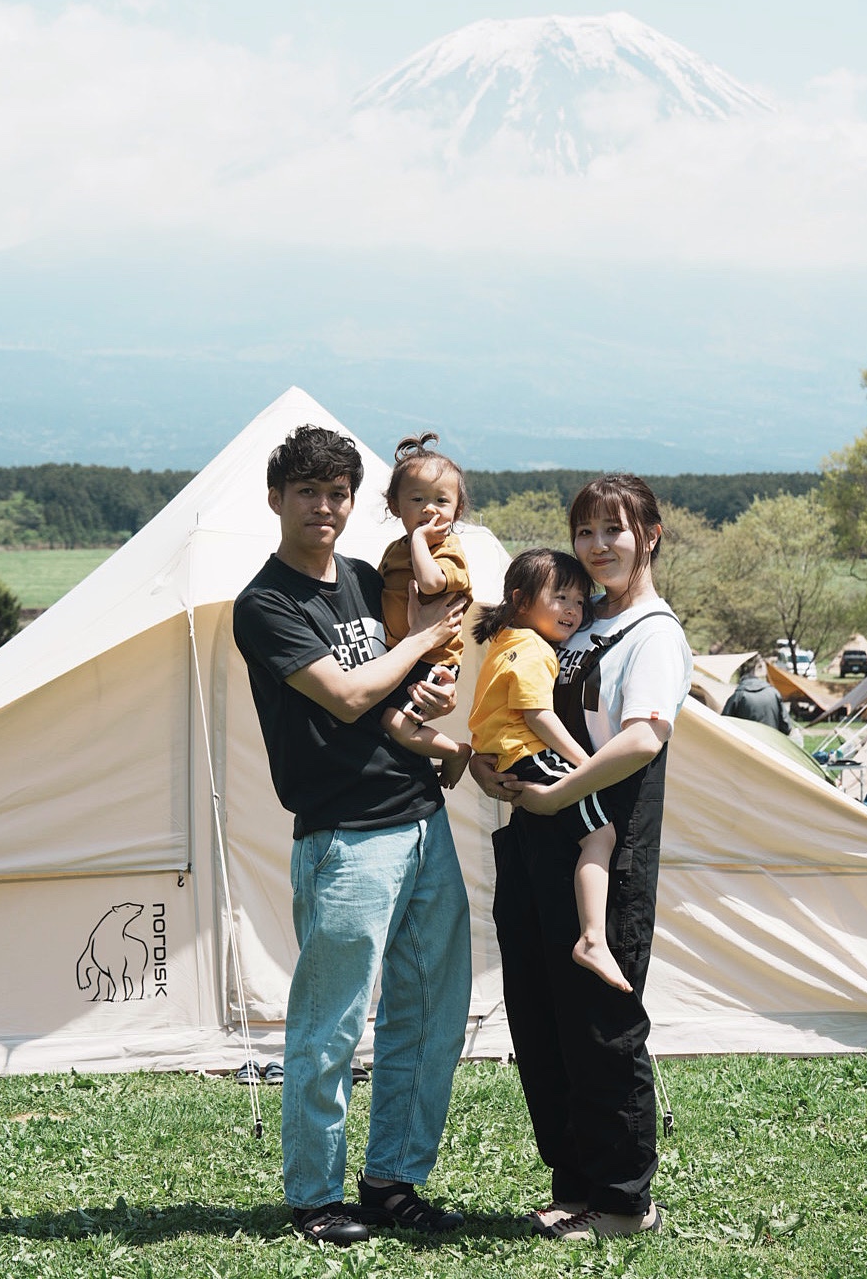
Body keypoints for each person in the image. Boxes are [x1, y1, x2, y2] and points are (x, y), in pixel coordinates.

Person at [232, 424, 473, 1247]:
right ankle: (314, 1195)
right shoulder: (264, 604)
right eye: (308, 492)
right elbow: (341, 694)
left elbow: (401, 688)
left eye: (338, 493)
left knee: (430, 1010)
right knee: (332, 1022)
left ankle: (391, 1180)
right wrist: (416, 642)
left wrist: (431, 701)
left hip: (421, 819)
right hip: (344, 836)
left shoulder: (373, 580)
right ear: (277, 500)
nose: (325, 507)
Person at [469, 473, 693, 1243]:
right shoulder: (573, 620)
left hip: (606, 843)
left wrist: (561, 795)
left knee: (601, 1022)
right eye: (586, 533)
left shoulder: (653, 633)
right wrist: (485, 766)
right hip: (535, 839)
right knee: (543, 1018)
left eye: (614, 531)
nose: (598, 548)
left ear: (650, 534)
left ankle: (624, 1198)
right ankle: (575, 1183)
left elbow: (642, 737)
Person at [468, 548, 630, 992]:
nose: (573, 610)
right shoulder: (535, 648)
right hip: (528, 752)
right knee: (601, 835)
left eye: (579, 601)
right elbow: (537, 714)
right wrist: (587, 763)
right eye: (561, 598)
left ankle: (589, 937)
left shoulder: (505, 641)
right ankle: (593, 938)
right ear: (521, 601)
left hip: (505, 754)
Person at [377, 433, 474, 789]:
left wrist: (420, 540)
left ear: (457, 510)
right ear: (395, 506)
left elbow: (432, 584)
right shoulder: (394, 550)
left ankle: (453, 752)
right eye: (417, 499)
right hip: (400, 655)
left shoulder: (448, 550)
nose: (429, 508)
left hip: (436, 659)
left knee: (396, 723)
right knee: (386, 721)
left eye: (441, 501)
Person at [722, 662, 792, 734]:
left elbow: (724, 724)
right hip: (771, 742)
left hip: (748, 742)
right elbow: (786, 726)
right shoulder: (773, 692)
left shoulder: (738, 695)